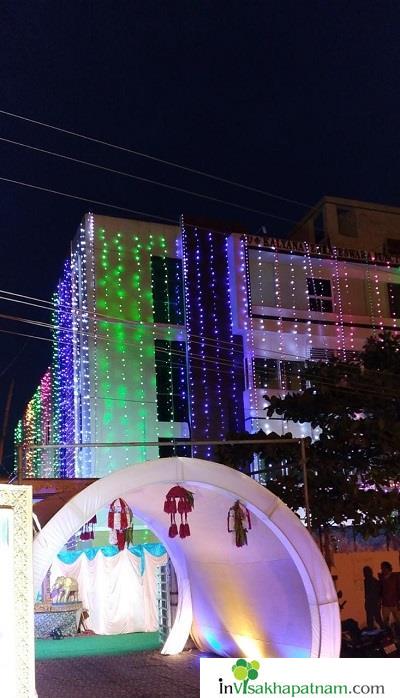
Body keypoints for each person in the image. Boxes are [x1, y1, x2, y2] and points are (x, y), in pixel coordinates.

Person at [379, 561, 400, 632]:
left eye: (384, 568)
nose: (382, 570)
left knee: (398, 620)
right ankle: (389, 635)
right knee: (385, 621)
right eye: (382, 568)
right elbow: (380, 590)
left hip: (395, 603)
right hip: (385, 604)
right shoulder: (381, 578)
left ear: (388, 568)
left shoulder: (395, 577)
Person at [363, 566, 383, 630]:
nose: (365, 574)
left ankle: (383, 631)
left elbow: (379, 593)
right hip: (370, 603)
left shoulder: (373, 581)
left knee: (376, 619)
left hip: (374, 602)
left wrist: (378, 602)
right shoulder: (368, 581)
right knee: (372, 619)